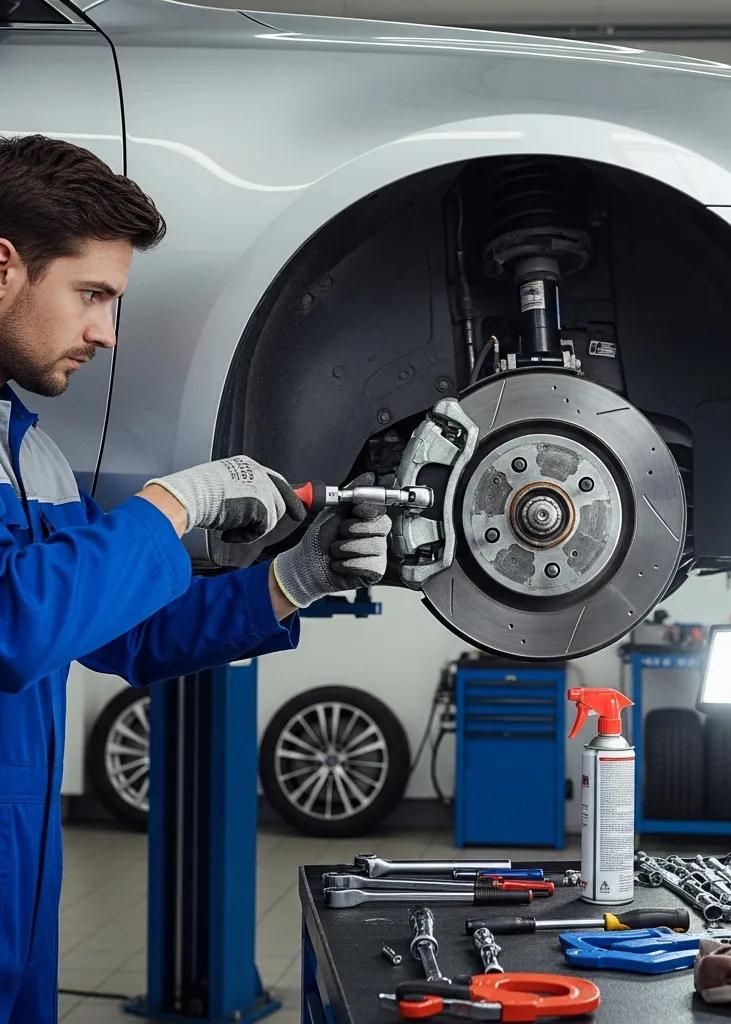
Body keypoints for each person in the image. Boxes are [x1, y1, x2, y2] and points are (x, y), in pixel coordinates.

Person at [0, 134, 392, 1023]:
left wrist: (295, 578)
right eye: (91, 295)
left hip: (21, 872)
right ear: (4, 266)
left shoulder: (35, 456)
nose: (105, 332)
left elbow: (120, 632)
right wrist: (175, 505)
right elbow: (15, 627)